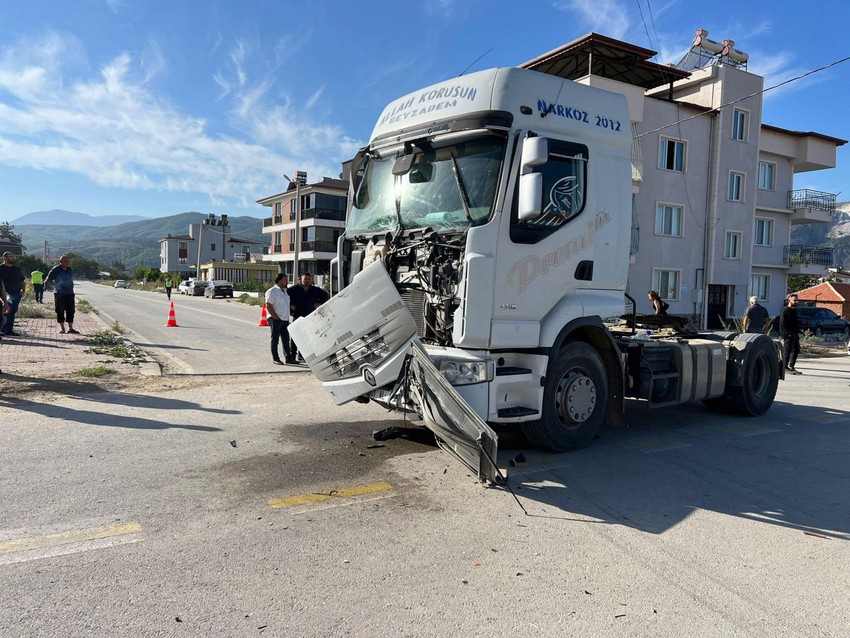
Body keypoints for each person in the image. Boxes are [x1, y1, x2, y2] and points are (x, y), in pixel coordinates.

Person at [288, 272, 329, 362]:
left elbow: (326, 296)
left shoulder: (315, 290)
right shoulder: (293, 290)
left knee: (307, 337)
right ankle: (292, 355)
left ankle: (302, 355)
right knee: (296, 336)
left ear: (311, 280)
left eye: (308, 279)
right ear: (300, 279)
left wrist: (319, 304)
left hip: (310, 316)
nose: (307, 281)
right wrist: (290, 305)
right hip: (298, 316)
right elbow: (285, 298)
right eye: (305, 279)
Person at [45, 255, 80, 335]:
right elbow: (48, 280)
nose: (67, 262)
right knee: (60, 311)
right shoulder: (55, 270)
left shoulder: (69, 269)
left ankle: (70, 328)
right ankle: (62, 328)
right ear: (60, 262)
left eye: (68, 261)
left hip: (70, 293)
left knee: (71, 311)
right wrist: (56, 286)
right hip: (60, 294)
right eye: (65, 261)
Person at [265, 273, 294, 365]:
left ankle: (289, 358)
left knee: (286, 339)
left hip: (285, 318)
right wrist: (275, 316)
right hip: (275, 319)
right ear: (280, 280)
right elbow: (268, 305)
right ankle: (276, 358)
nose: (287, 281)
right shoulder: (272, 291)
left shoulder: (285, 291)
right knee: (275, 339)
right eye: (285, 279)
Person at [0, 252, 26, 336]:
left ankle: (9, 330)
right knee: (6, 311)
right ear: (5, 258)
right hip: (6, 294)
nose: (12, 258)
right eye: (10, 257)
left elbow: (22, 280)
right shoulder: (1, 268)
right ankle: (3, 330)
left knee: (13, 312)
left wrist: (23, 289)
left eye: (12, 256)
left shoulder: (16, 269)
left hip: (17, 294)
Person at [779, 293, 801, 375]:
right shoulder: (785, 310)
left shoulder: (794, 310)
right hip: (788, 334)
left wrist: (799, 332)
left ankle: (791, 366)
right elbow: (782, 323)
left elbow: (795, 323)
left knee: (796, 349)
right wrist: (785, 334)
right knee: (787, 350)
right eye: (794, 300)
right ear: (789, 300)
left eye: (797, 300)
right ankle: (784, 367)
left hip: (794, 334)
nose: (796, 302)